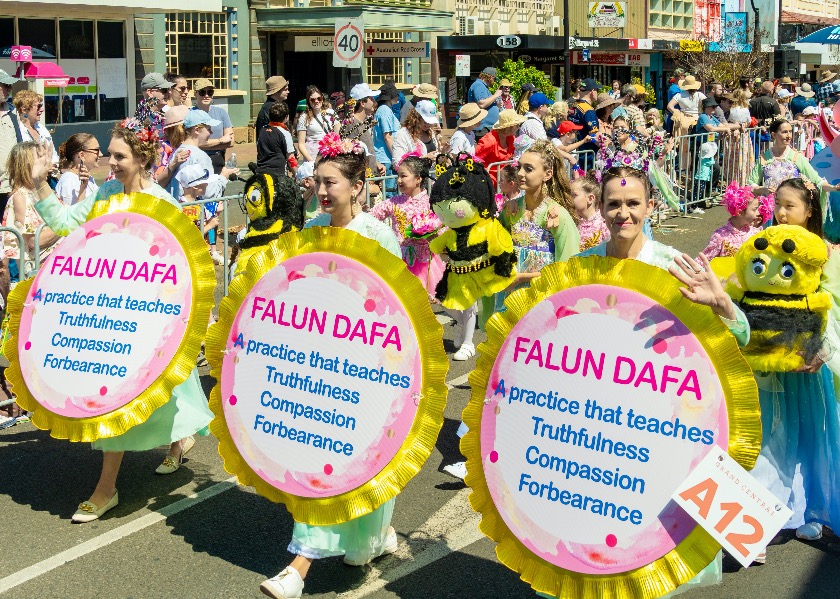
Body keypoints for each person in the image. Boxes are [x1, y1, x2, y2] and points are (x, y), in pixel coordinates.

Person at [26, 119, 214, 522]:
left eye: (119, 157)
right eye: (108, 155)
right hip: (113, 317)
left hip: (150, 319)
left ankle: (112, 483)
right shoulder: (109, 192)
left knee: (157, 389)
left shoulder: (165, 204)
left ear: (143, 158)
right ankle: (121, 477)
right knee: (117, 394)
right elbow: (66, 225)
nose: (109, 164)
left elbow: (183, 268)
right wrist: (41, 183)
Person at [258, 133, 400, 599]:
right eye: (316, 181)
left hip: (365, 368)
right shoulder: (313, 228)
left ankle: (305, 563)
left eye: (331, 181)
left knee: (360, 460)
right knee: (319, 454)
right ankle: (315, 557)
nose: (321, 190)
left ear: (357, 186)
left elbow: (395, 306)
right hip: (317, 368)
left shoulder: (377, 235)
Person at [749, 176, 840, 553]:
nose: (781, 212)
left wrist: (822, 349)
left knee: (812, 437)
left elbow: (832, 302)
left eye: (790, 205)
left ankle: (815, 513)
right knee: (770, 438)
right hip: (770, 361)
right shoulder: (762, 247)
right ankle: (767, 513)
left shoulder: (825, 252)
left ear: (809, 210)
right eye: (778, 204)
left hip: (808, 363)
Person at [371, 154, 443, 294]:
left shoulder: (430, 204)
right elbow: (372, 217)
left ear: (418, 179)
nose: (399, 180)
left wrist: (431, 236)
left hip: (424, 264)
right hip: (399, 260)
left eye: (403, 176)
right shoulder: (394, 202)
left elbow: (442, 231)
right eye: (398, 176)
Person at [3, 141, 60, 279]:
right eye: (41, 161)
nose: (48, 166)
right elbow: (35, 241)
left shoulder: (44, 191)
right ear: (27, 166)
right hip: (41, 269)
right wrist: (66, 225)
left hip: (59, 258)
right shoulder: (20, 198)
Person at [749, 119, 840, 195]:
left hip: (792, 208)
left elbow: (817, 181)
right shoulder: (764, 158)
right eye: (784, 132)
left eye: (790, 131)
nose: (789, 136)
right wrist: (763, 189)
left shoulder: (796, 157)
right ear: (773, 135)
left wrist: (834, 188)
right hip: (771, 209)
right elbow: (751, 184)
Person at [701, 182, 766, 259]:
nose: (758, 213)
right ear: (739, 212)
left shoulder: (755, 232)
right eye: (754, 209)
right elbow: (704, 260)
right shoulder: (720, 237)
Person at [341, 83, 385, 176]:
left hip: (371, 177)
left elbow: (367, 151)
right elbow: (351, 158)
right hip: (362, 180)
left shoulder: (365, 122)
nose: (374, 102)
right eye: (371, 99)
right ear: (362, 103)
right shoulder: (350, 124)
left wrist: (376, 163)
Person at [192, 78, 234, 174]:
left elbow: (230, 142)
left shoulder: (221, 113)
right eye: (202, 92)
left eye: (210, 92)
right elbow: (194, 144)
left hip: (218, 160)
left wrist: (205, 145)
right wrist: (220, 141)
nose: (206, 96)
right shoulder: (190, 114)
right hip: (197, 161)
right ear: (195, 94)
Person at [474, 109, 525, 187]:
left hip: (504, 183)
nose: (518, 127)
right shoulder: (489, 141)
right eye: (517, 125)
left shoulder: (511, 138)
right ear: (509, 127)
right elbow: (474, 159)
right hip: (489, 184)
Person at [13, 91, 58, 165]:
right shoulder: (17, 130)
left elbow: (53, 153)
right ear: (24, 110)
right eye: (38, 106)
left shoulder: (41, 128)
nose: (42, 109)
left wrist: (54, 165)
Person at [0, 69, 22, 219]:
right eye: (5, 85)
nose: (9, 89)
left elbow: (19, 148)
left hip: (9, 186)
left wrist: (19, 181)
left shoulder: (13, 113)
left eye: (9, 85)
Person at [55, 133, 101, 205]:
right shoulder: (69, 180)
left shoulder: (89, 178)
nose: (101, 154)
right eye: (97, 150)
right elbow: (72, 213)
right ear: (82, 155)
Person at [297, 85, 338, 163]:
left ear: (322, 98)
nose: (316, 101)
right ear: (308, 101)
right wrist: (311, 161)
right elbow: (301, 144)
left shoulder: (331, 113)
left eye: (319, 98)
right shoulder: (304, 117)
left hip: (329, 154)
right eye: (312, 100)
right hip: (312, 155)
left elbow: (338, 135)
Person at [391, 100, 438, 168]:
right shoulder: (403, 134)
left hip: (431, 176)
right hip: (413, 177)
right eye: (425, 122)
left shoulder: (430, 132)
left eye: (430, 123)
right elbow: (398, 163)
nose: (428, 125)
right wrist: (424, 159)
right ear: (416, 118)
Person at [571, 173, 609, 251]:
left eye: (574, 195)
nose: (569, 199)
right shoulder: (573, 222)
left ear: (590, 198)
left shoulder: (603, 225)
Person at [373, 82, 401, 179]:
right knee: (389, 191)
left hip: (387, 157)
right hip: (386, 158)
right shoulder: (385, 110)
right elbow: (387, 137)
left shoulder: (385, 109)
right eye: (396, 94)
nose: (398, 96)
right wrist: (396, 156)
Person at [256, 101, 292, 177]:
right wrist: (296, 174)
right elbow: (291, 158)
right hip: (278, 174)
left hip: (261, 173)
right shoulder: (284, 132)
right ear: (286, 117)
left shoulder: (262, 130)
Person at [467, 67, 501, 140]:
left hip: (486, 127)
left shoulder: (482, 86)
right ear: (490, 77)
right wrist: (495, 95)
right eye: (494, 79)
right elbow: (481, 104)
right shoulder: (479, 85)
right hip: (483, 128)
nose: (494, 82)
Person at [567, 78, 600, 154]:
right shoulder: (588, 110)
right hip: (587, 155)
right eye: (597, 90)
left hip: (575, 150)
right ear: (592, 91)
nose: (597, 93)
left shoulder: (573, 105)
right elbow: (594, 136)